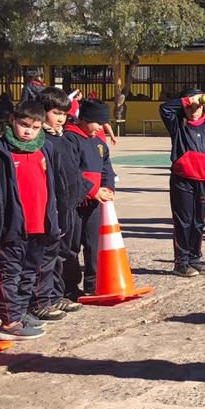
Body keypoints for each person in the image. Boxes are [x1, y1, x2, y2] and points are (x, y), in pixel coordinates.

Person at [0, 100, 63, 341]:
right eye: (24, 125)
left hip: (41, 225)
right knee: (9, 273)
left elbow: (56, 185)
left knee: (30, 272)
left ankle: (21, 312)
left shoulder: (47, 148)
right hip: (12, 225)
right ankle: (9, 322)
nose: (28, 131)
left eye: (34, 127)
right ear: (12, 120)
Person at [31, 87, 91, 321]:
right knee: (47, 256)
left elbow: (74, 169)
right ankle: (41, 300)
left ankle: (56, 294)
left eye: (64, 114)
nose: (60, 118)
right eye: (56, 112)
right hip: (52, 205)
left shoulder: (64, 137)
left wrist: (81, 190)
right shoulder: (40, 140)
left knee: (63, 252)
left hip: (70, 203)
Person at [160, 90, 205, 277]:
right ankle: (181, 262)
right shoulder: (178, 126)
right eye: (191, 106)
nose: (195, 110)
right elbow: (164, 109)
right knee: (184, 221)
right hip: (183, 180)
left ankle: (194, 259)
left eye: (198, 106)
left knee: (199, 222)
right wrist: (186, 100)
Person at [61, 99, 115, 304]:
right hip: (76, 201)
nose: (100, 128)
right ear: (84, 119)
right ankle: (70, 285)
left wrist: (108, 188)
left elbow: (106, 169)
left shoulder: (100, 144)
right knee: (71, 245)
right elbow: (72, 171)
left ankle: (93, 283)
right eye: (97, 124)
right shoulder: (71, 139)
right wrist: (92, 190)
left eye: (102, 124)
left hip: (94, 204)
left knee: (94, 244)